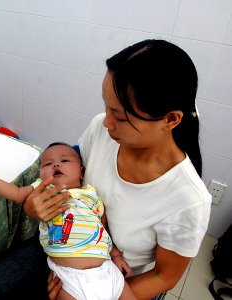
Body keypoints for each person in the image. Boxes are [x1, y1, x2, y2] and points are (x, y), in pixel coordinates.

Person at [24, 40, 212, 299]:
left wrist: (92, 292)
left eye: (121, 117)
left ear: (170, 119)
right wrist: (32, 207)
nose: (107, 122)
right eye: (106, 106)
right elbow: (66, 182)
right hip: (61, 254)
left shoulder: (188, 201)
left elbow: (164, 276)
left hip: (118, 283)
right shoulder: (101, 129)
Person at [0, 142, 136, 300]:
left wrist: (116, 256)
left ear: (82, 172)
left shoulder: (91, 196)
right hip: (69, 279)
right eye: (48, 163)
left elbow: (103, 229)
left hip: (107, 271)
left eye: (65, 161)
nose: (56, 164)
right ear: (40, 175)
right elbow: (17, 193)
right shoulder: (43, 191)